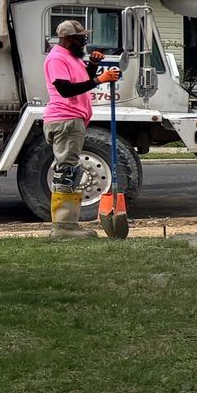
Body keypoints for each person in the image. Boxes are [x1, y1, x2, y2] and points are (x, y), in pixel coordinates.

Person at [42, 19, 120, 236]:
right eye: (80, 37)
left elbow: (80, 78)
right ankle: (64, 228)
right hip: (65, 119)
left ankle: (66, 226)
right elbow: (66, 90)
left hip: (71, 120)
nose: (85, 40)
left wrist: (93, 66)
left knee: (69, 170)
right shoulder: (57, 58)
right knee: (67, 172)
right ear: (67, 38)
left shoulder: (70, 57)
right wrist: (99, 79)